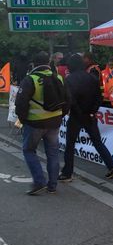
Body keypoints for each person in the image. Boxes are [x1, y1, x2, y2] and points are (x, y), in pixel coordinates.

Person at [59, 54, 113, 182]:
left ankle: (67, 173)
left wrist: (75, 112)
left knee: (70, 144)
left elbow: (71, 99)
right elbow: (99, 96)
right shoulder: (92, 78)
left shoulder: (69, 80)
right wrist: (93, 111)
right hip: (90, 115)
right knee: (97, 141)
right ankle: (112, 166)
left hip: (76, 116)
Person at [15, 51, 68, 195]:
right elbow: (67, 100)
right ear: (48, 62)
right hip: (55, 122)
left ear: (34, 63)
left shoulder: (30, 79)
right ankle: (52, 185)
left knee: (29, 150)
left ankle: (39, 182)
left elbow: (20, 103)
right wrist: (60, 116)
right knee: (53, 153)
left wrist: (23, 119)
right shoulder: (58, 78)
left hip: (35, 123)